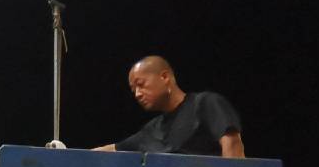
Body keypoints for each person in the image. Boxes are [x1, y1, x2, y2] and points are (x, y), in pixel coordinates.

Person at [94, 55, 246, 157]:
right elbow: (113, 149)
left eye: (141, 85)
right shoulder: (151, 130)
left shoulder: (205, 104)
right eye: (133, 90)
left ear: (164, 77)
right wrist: (79, 158)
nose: (137, 94)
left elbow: (232, 144)